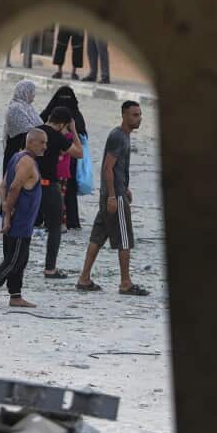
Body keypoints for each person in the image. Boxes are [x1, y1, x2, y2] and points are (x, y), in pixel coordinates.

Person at [76, 101, 149, 295]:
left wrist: (125, 188)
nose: (138, 118)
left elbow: (117, 168)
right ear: (124, 115)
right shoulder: (118, 136)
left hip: (115, 193)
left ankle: (84, 278)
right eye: (134, 115)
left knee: (98, 236)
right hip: (113, 197)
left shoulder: (124, 136)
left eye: (140, 114)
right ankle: (125, 283)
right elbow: (108, 167)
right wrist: (112, 196)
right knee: (125, 239)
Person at [0, 128, 46, 308]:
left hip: (20, 220)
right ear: (31, 142)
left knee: (20, 258)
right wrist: (8, 216)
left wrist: (4, 207)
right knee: (15, 259)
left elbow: (3, 186)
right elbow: (14, 188)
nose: (45, 147)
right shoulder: (26, 162)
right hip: (19, 221)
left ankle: (15, 295)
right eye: (42, 142)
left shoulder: (17, 157)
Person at [34, 106, 82, 278]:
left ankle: (18, 263)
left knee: (25, 225)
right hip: (49, 186)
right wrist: (74, 131)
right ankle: (50, 268)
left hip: (29, 184)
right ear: (63, 124)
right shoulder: (58, 137)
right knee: (54, 227)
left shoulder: (34, 132)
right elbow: (79, 153)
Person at [40, 86, 89, 230]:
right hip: (65, 164)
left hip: (65, 164)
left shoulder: (43, 126)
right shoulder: (71, 121)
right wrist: (72, 130)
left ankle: (53, 221)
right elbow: (80, 150)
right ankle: (59, 222)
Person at [2, 80, 43, 174]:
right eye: (32, 92)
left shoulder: (27, 107)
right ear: (25, 92)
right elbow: (24, 131)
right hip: (17, 153)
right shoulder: (15, 108)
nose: (34, 95)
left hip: (29, 153)